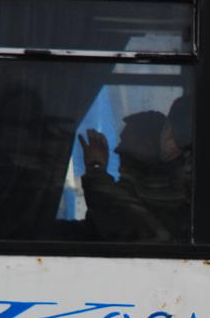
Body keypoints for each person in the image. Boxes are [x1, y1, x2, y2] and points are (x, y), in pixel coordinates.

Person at [78, 98, 192, 242]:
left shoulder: (163, 190)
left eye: (126, 142)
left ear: (148, 146)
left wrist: (95, 168)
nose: (118, 149)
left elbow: (116, 223)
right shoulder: (139, 187)